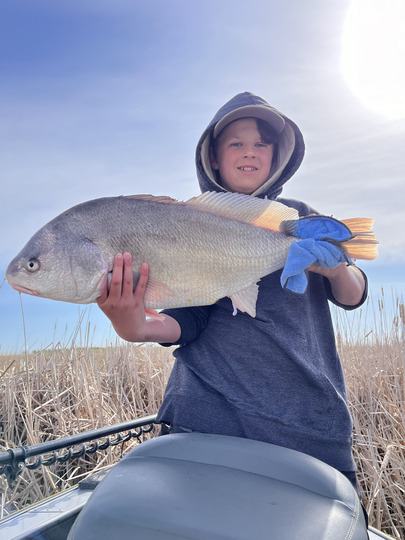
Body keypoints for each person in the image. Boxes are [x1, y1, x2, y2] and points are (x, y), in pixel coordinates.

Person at [96, 92, 367, 496]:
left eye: (261, 144)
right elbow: (188, 319)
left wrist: (336, 266)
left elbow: (354, 295)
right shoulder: (189, 223)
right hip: (203, 418)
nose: (250, 152)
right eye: (236, 143)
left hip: (308, 423)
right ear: (214, 158)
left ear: (276, 157)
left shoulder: (297, 217)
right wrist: (135, 325)